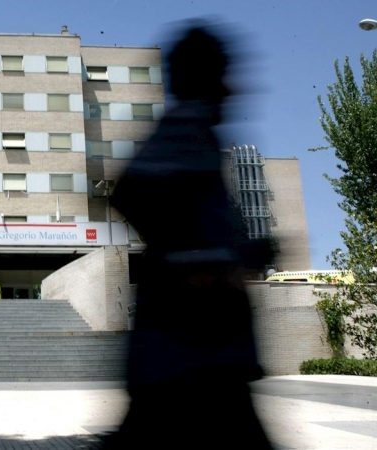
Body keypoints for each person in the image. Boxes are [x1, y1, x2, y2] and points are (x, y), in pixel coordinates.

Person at [106, 22, 275, 448]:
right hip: (192, 358)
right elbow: (131, 190)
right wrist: (194, 264)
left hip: (195, 359)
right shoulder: (187, 126)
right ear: (207, 76)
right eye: (224, 72)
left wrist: (239, 253)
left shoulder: (197, 133)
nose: (233, 87)